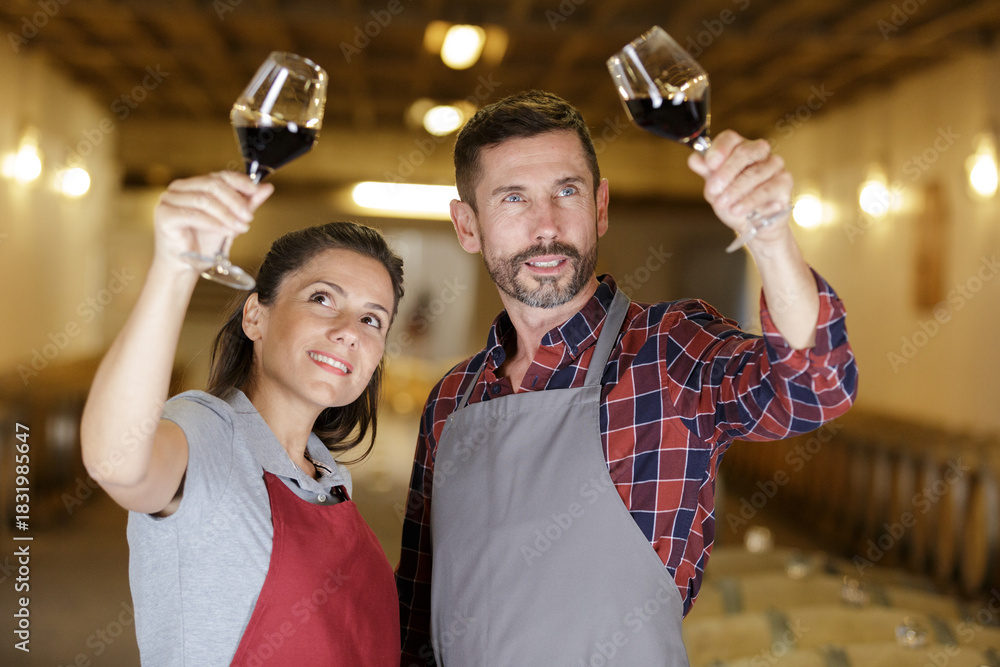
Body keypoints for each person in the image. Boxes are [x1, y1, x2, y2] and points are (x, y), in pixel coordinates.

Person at [395, 91, 858, 665]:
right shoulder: (450, 400)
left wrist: (769, 237)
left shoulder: (669, 353)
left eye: (568, 191)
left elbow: (816, 387)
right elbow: (415, 612)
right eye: (513, 198)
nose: (547, 227)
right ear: (468, 225)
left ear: (601, 206)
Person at [81, 172, 404, 666]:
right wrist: (175, 266)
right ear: (255, 316)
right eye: (322, 298)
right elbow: (118, 459)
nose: (348, 332)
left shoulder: (330, 481)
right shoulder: (209, 433)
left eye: (371, 319)